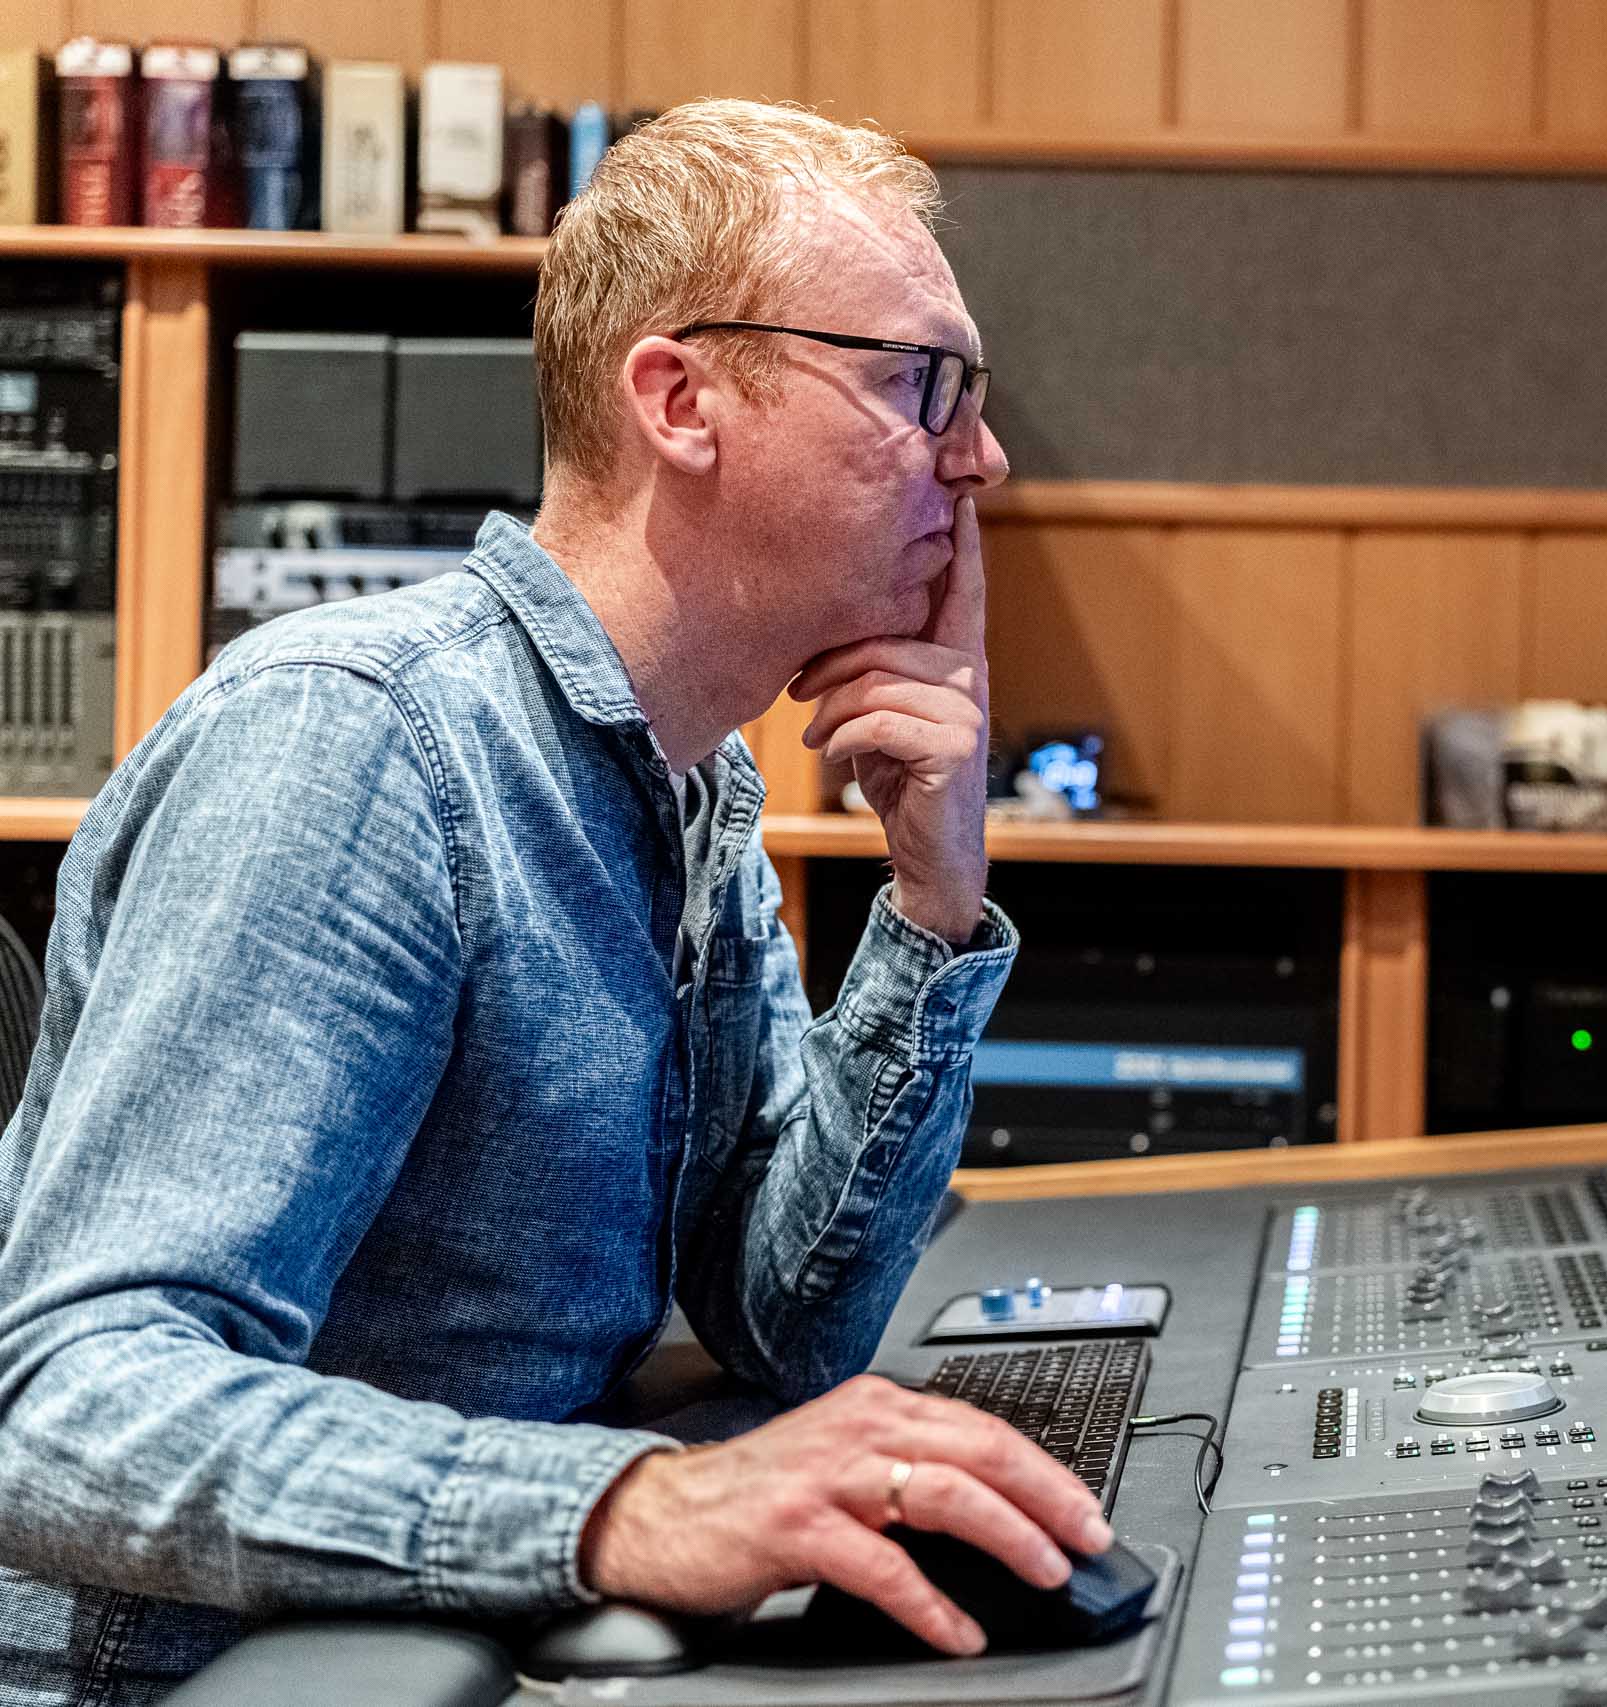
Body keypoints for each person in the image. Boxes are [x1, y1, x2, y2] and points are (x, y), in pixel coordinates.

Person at [0, 100, 1103, 1706]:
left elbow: (786, 1321)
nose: (978, 454)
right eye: (916, 381)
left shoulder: (690, 784)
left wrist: (931, 906)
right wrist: (628, 1508)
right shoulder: (357, 745)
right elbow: (67, 1409)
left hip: (499, 1645)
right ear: (680, 400)